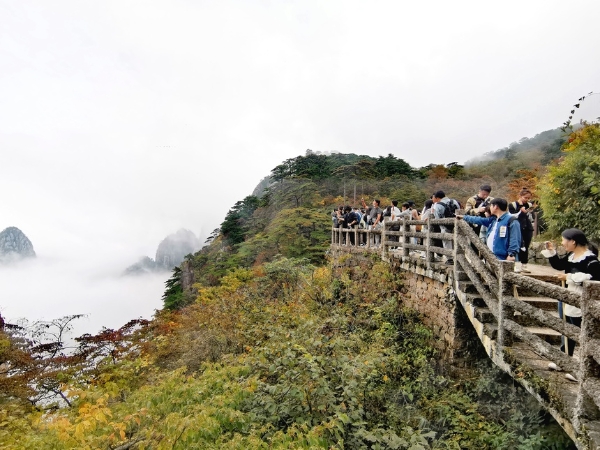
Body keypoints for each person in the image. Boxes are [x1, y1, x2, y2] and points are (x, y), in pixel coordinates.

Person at [541, 229, 600, 357]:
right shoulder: (571, 256)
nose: (562, 243)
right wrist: (551, 251)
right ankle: (565, 357)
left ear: (573, 242)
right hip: (568, 295)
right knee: (566, 328)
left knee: (580, 331)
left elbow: (594, 279)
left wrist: (569, 277)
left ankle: (585, 363)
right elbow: (558, 264)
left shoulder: (591, 261)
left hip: (582, 300)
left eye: (564, 240)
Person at [456, 198, 521, 261]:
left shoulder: (512, 220)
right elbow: (478, 219)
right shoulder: (494, 220)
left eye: (491, 206)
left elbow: (515, 239)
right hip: (492, 257)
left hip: (504, 258)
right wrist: (464, 217)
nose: (489, 208)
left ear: (495, 207)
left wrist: (511, 255)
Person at [508, 188, 535, 273]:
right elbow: (512, 215)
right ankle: (514, 264)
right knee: (515, 245)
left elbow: (531, 213)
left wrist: (526, 209)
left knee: (525, 246)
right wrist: (520, 208)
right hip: (517, 227)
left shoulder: (529, 205)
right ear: (520, 196)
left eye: (528, 198)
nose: (527, 199)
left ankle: (524, 265)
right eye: (525, 197)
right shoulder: (512, 205)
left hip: (527, 227)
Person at [432, 191, 459, 265]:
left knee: (447, 242)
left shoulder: (438, 205)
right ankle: (458, 258)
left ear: (437, 198)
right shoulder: (454, 201)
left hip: (445, 226)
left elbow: (437, 218)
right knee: (456, 241)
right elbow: (459, 212)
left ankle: (450, 259)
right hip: (456, 225)